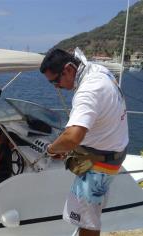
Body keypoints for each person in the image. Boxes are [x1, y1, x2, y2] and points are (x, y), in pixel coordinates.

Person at [40, 48, 128, 236]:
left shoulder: (88, 90)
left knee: (87, 221)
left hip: (101, 163)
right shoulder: (96, 70)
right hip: (113, 149)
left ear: (69, 69)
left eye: (56, 80)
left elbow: (72, 137)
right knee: (87, 215)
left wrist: (50, 149)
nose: (56, 86)